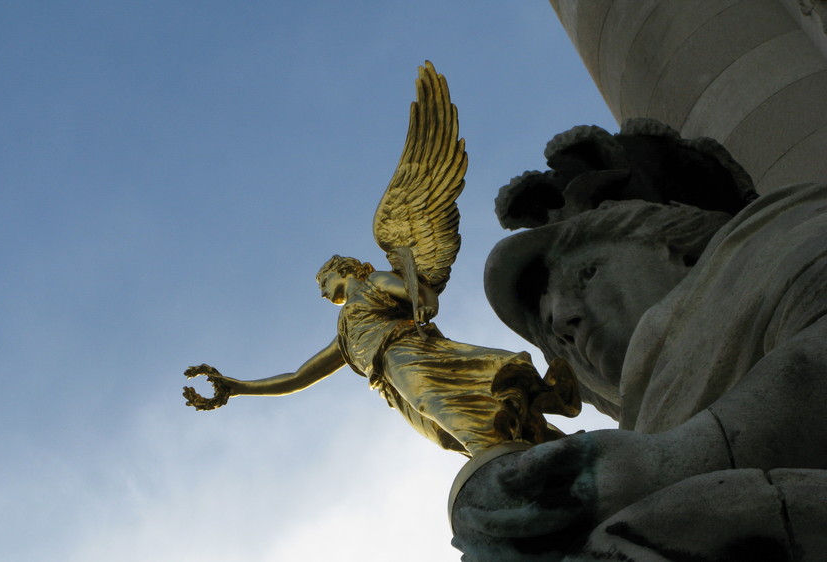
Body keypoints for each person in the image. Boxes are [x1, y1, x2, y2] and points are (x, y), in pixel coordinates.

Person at [451, 119, 827, 560]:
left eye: (587, 274)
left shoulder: (780, 240)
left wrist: (680, 457)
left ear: (676, 247)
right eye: (553, 326)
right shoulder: (636, 430)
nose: (565, 320)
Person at [188, 254, 580, 457]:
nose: (322, 292)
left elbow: (424, 299)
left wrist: (422, 301)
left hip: (405, 352)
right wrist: (238, 387)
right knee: (444, 436)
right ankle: (525, 445)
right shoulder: (344, 332)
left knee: (435, 402)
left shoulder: (372, 284)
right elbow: (298, 376)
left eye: (322, 282)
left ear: (340, 270)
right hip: (387, 382)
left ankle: (507, 449)